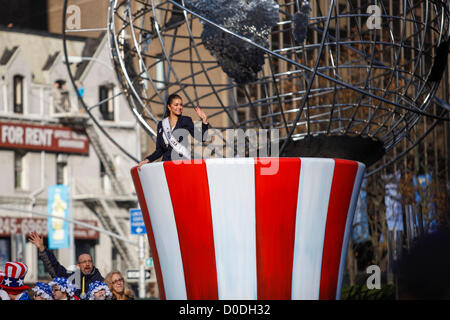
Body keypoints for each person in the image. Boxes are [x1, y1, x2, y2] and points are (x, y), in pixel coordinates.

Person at [138, 93, 209, 168]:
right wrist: (147, 160)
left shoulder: (185, 121)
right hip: (166, 165)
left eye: (181, 105)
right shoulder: (161, 125)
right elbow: (159, 151)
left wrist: (204, 120)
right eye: (176, 105)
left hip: (182, 163)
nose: (179, 107)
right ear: (169, 107)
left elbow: (201, 138)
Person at [28, 231, 104, 299]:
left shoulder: (99, 279)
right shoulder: (71, 278)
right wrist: (42, 249)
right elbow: (54, 267)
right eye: (84, 262)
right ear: (78, 265)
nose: (87, 264)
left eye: (89, 261)